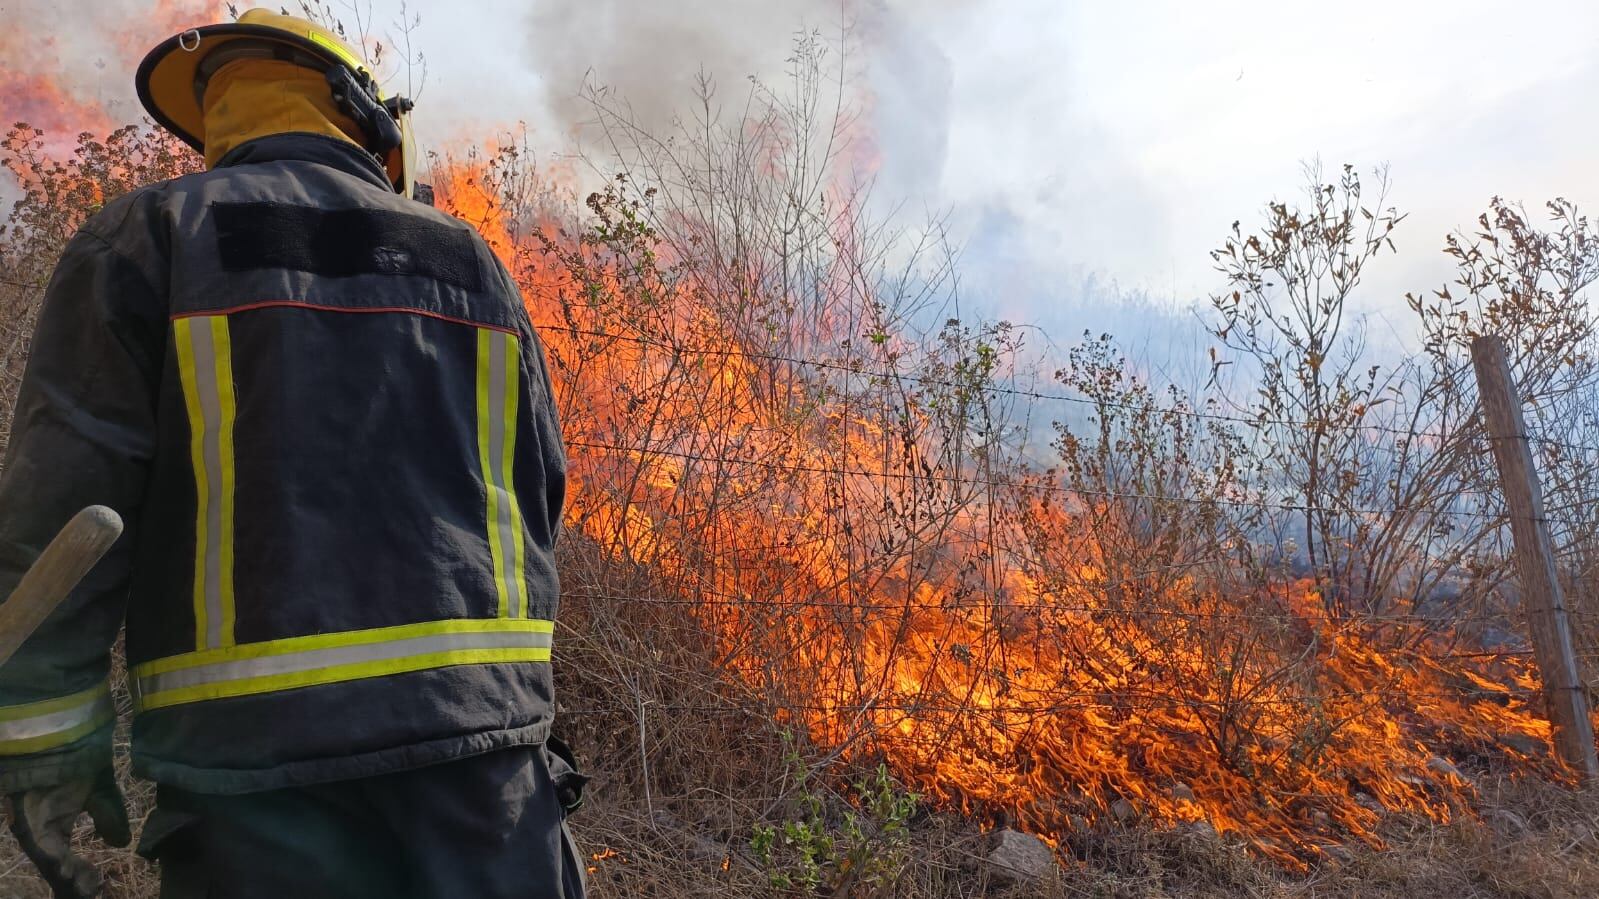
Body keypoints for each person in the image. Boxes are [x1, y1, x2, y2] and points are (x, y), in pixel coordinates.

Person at [0, 9, 583, 898]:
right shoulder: (471, 261)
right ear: (366, 115)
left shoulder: (153, 235)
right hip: (485, 773)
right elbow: (539, 484)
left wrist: (45, 744)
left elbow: (66, 505)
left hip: (257, 786)